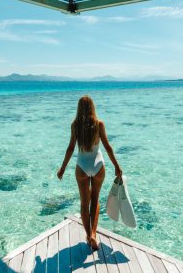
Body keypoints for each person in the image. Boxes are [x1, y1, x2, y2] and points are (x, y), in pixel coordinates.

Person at [57, 95, 122, 250]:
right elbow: (107, 147)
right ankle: (93, 233)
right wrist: (116, 166)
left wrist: (63, 168)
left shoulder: (75, 125)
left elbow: (70, 148)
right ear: (93, 107)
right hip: (98, 165)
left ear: (79, 108)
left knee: (84, 203)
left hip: (82, 167)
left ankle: (88, 235)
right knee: (95, 200)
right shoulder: (99, 124)